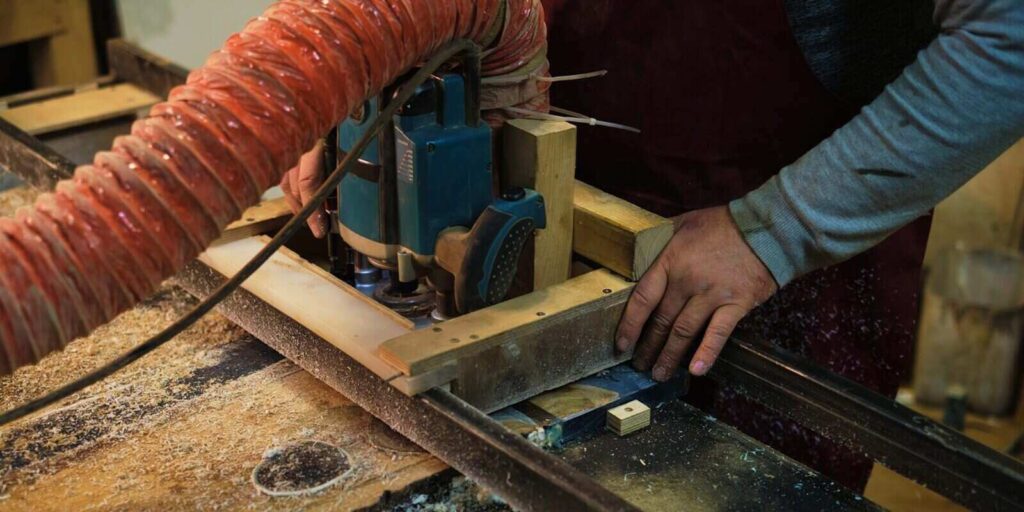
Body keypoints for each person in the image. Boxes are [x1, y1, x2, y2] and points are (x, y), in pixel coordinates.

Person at [282, 0, 1024, 490]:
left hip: (765, 272)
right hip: (551, 190)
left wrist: (781, 227)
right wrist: (353, 78)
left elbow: (1010, 36)